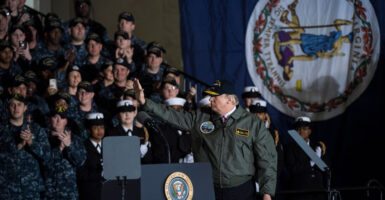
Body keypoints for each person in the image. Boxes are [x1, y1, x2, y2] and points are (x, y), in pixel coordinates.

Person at [134, 79, 277, 200]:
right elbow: (171, 115)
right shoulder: (201, 117)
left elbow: (267, 159)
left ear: (229, 99)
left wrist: (267, 193)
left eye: (215, 96)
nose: (211, 99)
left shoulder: (252, 123)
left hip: (241, 190)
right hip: (208, 188)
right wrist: (145, 102)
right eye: (210, 96)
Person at [0, 93, 51, 199]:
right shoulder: (2, 131)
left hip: (31, 189)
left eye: (19, 104)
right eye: (12, 105)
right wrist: (16, 147)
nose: (16, 108)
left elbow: (47, 157)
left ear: (25, 108)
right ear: (7, 108)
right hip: (7, 190)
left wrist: (31, 142)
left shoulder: (36, 130)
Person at [43, 106, 86, 200]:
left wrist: (69, 146)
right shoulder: (42, 137)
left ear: (66, 121)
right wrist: (60, 148)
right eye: (55, 117)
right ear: (50, 119)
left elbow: (80, 162)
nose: (58, 120)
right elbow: (43, 162)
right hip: (48, 191)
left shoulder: (75, 140)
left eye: (62, 118)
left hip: (69, 192)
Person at [285, 116, 328, 200]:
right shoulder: (290, 148)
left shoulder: (317, 146)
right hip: (300, 192)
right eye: (298, 129)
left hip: (318, 192)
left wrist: (320, 159)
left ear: (309, 131)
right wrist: (311, 163)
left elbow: (326, 169)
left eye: (304, 128)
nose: (301, 131)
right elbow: (293, 169)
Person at [108, 99, 152, 164]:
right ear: (117, 115)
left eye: (130, 111)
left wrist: (144, 155)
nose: (127, 114)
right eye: (123, 112)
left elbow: (150, 159)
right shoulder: (112, 134)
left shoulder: (142, 132)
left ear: (134, 113)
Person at [77, 112, 106, 200]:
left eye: (101, 127)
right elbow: (81, 174)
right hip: (90, 193)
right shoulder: (82, 147)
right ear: (88, 130)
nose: (99, 131)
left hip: (108, 191)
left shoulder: (109, 145)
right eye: (95, 128)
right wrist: (100, 173)